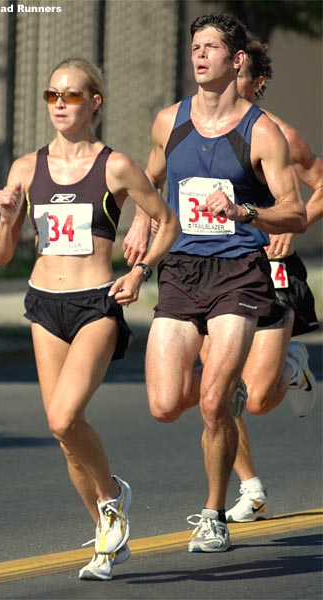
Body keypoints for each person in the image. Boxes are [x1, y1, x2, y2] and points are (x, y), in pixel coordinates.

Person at [0, 57, 180, 581]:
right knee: (64, 434)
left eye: (70, 96)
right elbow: (2, 256)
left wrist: (140, 271)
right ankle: (106, 530)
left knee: (61, 417)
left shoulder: (115, 166)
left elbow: (167, 221)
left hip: (97, 301)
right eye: (52, 96)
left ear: (94, 102)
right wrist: (8, 220)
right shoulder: (26, 168)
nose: (59, 106)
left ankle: (114, 496)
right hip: (43, 305)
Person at [123, 13, 306, 553]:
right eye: (195, 47)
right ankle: (228, 392)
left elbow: (293, 212)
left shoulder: (263, 131)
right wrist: (141, 218)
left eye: (210, 47)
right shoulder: (168, 120)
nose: (200, 55)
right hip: (180, 271)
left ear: (236, 60)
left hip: (238, 273)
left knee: (212, 401)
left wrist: (247, 211)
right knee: (164, 403)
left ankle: (214, 513)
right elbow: (150, 175)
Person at [220, 40, 322, 522]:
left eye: (236, 75)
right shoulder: (196, 129)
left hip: (268, 267)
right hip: (213, 269)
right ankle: (251, 486)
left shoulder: (280, 134)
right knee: (217, 387)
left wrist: (287, 224)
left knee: (256, 398)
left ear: (256, 83)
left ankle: (290, 366)